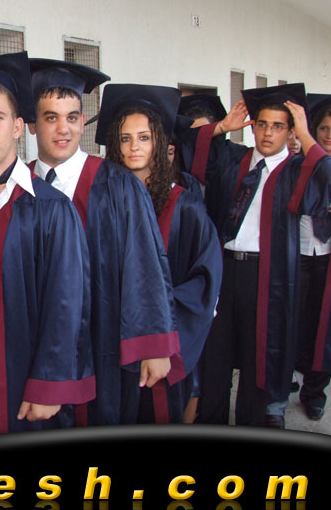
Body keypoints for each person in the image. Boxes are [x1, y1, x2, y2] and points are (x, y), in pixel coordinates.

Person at [0, 52, 95, 436]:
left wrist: (49, 383)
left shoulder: (50, 208)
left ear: (18, 126)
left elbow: (66, 301)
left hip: (21, 381)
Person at [175, 83, 331, 428]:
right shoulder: (233, 160)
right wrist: (222, 127)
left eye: (278, 126)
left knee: (258, 360)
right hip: (223, 272)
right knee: (216, 355)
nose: (268, 133)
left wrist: (306, 134)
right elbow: (186, 148)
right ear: (253, 127)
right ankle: (211, 424)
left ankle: (252, 424)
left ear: (290, 131)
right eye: (262, 124)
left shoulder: (296, 170)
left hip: (269, 277)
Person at [27, 59, 180, 426]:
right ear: (31, 124)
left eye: (72, 117)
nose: (63, 129)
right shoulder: (19, 185)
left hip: (102, 343)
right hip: (35, 343)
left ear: (83, 121)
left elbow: (145, 266)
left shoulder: (119, 186)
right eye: (51, 117)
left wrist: (154, 344)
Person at [99, 84, 222, 423]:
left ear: (159, 142)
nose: (134, 147)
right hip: (109, 343)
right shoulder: (102, 201)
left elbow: (205, 280)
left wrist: (161, 336)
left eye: (144, 137)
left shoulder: (184, 206)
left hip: (161, 344)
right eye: (125, 138)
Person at [293, 94, 331, 420]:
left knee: (323, 327)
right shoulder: (297, 163)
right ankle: (282, 381)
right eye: (324, 129)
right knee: (291, 321)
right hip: (297, 251)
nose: (329, 135)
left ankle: (314, 392)